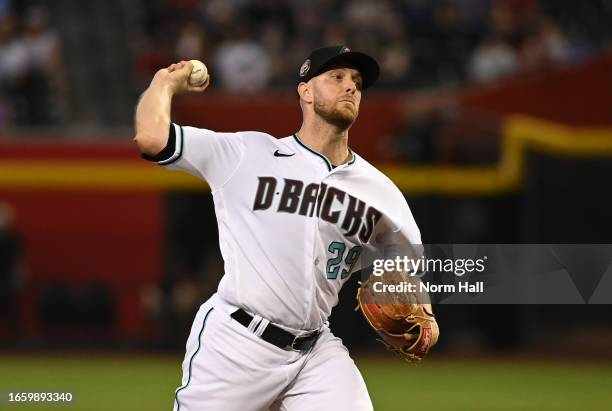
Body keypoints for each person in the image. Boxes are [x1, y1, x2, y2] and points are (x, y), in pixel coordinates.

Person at [134, 45, 425, 411]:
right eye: (336, 77)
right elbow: (151, 137)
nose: (350, 86)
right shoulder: (246, 153)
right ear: (305, 91)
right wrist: (163, 83)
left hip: (315, 351)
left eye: (357, 81)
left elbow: (404, 264)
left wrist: (402, 302)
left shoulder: (380, 190)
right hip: (237, 343)